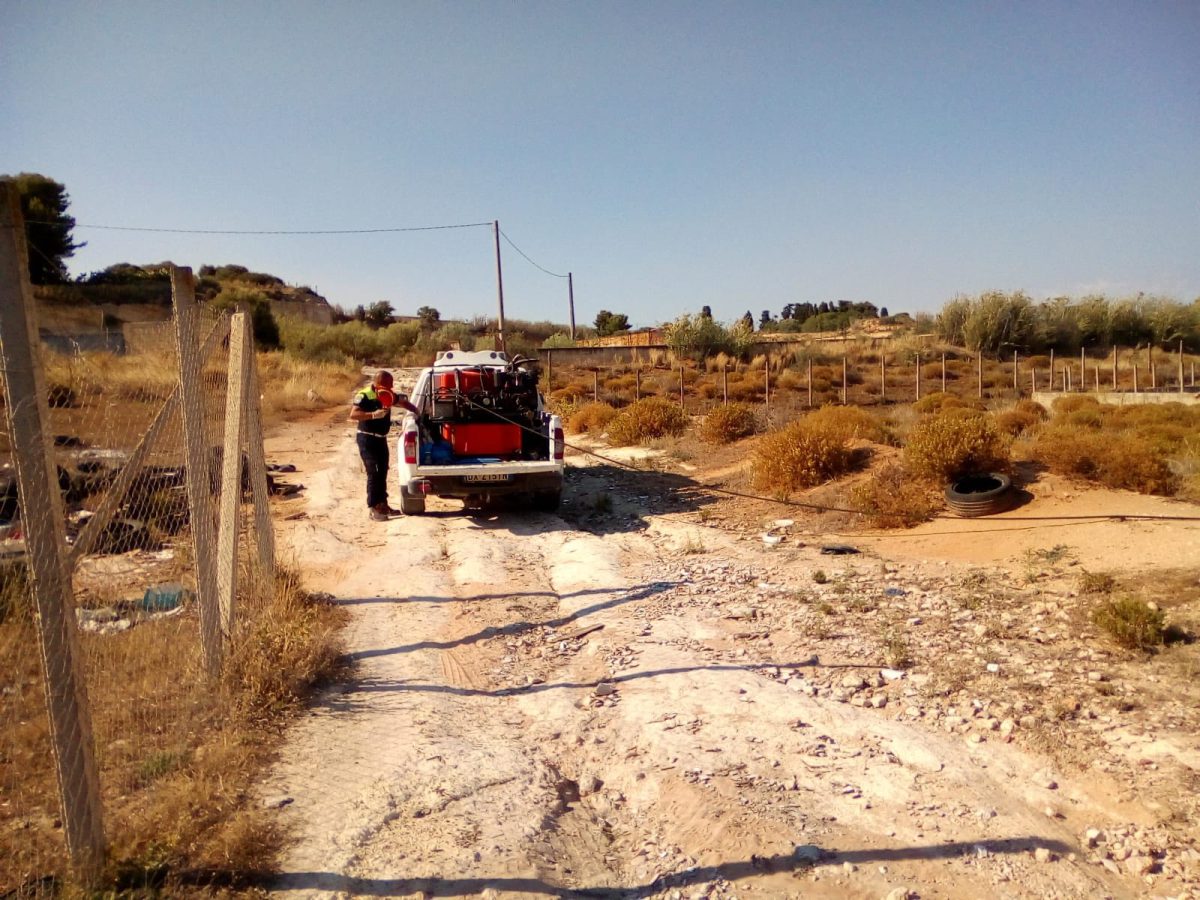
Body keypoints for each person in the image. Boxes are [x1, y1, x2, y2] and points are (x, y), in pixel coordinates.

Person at [349, 370, 418, 521]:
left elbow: (402, 402)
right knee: (373, 472)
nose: (390, 388)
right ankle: (374, 508)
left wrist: (417, 411)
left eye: (391, 385)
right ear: (377, 383)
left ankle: (383, 504)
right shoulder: (365, 395)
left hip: (381, 439)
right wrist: (373, 415)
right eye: (387, 384)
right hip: (367, 439)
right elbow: (354, 414)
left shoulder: (388, 394)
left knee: (382, 472)